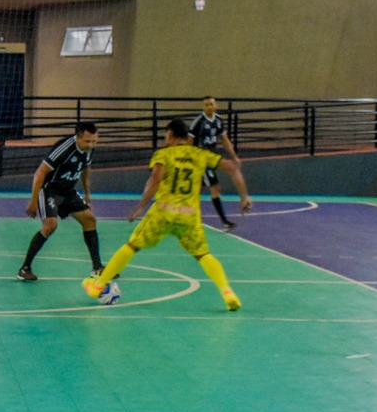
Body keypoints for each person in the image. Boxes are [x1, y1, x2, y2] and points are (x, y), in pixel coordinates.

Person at [84, 118, 241, 311]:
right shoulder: (200, 154)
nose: (165, 140)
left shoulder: (164, 154)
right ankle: (227, 292)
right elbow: (232, 168)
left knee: (132, 246)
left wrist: (141, 206)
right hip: (189, 215)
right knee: (203, 255)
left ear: (173, 136)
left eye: (166, 136)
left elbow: (155, 179)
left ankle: (98, 285)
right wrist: (244, 197)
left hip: (164, 212)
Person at [18, 121, 103, 281]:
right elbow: (40, 172)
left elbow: (86, 169)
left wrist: (87, 193)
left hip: (68, 191)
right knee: (50, 225)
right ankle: (25, 268)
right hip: (50, 190)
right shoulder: (64, 149)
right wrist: (33, 200)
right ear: (77, 137)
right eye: (87, 141)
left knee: (90, 220)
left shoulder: (89, 150)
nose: (91, 144)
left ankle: (97, 267)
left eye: (94, 141)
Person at [188, 96, 252, 229]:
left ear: (216, 106)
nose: (209, 107)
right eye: (206, 105)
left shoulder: (218, 121)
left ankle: (188, 216)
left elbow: (224, 139)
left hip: (212, 157)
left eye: (211, 104)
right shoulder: (198, 122)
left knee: (197, 189)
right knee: (215, 188)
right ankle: (224, 221)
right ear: (203, 107)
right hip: (201, 158)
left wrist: (234, 156)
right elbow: (189, 142)